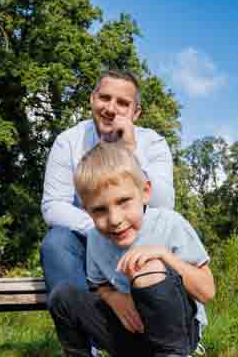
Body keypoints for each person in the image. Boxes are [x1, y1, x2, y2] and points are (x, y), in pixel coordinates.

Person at [33, 142, 214, 357]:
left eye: (123, 202)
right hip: (133, 341)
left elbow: (207, 291)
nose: (115, 219)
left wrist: (164, 256)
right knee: (63, 294)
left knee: (147, 268)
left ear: (145, 192)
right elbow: (98, 285)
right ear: (87, 211)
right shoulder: (96, 238)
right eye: (100, 210)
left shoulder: (170, 223)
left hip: (180, 334)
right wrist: (115, 298)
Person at [40, 69, 174, 299]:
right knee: (56, 242)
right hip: (85, 239)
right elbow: (53, 206)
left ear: (136, 112)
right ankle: (83, 328)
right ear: (92, 99)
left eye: (122, 103)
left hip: (139, 239)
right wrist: (101, 229)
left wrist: (132, 150)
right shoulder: (68, 142)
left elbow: (164, 204)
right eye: (104, 98)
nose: (110, 109)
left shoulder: (153, 144)